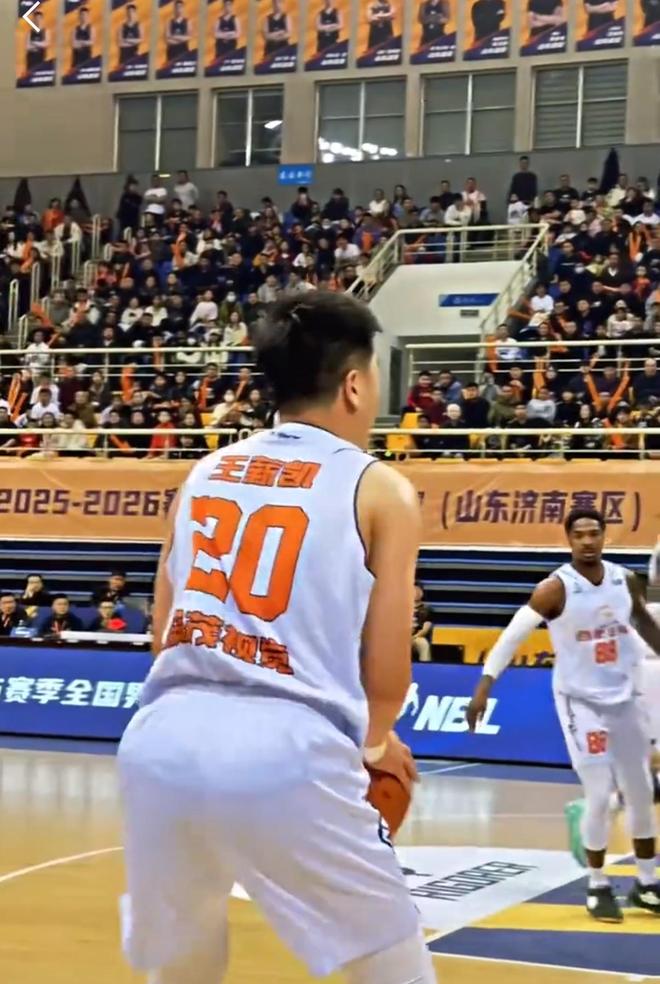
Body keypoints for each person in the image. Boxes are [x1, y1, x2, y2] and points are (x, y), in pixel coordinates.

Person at [117, 291, 432, 984]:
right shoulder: (381, 489)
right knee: (395, 970)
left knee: (184, 971)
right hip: (287, 752)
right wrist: (375, 744)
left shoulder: (203, 473)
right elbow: (387, 679)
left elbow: (164, 634)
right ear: (355, 385)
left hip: (160, 742)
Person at [468, 509, 660, 922]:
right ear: (569, 539)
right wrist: (484, 686)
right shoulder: (554, 589)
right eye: (580, 535)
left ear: (604, 536)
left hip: (624, 698)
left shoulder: (625, 579)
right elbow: (512, 637)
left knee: (642, 792)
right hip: (580, 703)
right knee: (600, 793)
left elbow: (644, 622)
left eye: (594, 533)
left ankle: (646, 883)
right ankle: (598, 885)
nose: (588, 541)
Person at [412, 585, 432, 662]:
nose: (416, 592)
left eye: (418, 590)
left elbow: (425, 629)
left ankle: (425, 666)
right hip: (401, 638)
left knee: (423, 643)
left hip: (416, 638)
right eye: (414, 590)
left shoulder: (426, 609)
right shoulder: (400, 607)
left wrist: (414, 637)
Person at [71, 4, 94, 69]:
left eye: (85, 15)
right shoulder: (75, 29)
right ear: (79, 16)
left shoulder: (91, 28)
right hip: (76, 59)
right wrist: (85, 42)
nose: (84, 17)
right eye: (82, 15)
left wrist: (80, 42)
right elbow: (73, 44)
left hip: (87, 58)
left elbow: (91, 42)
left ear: (88, 16)